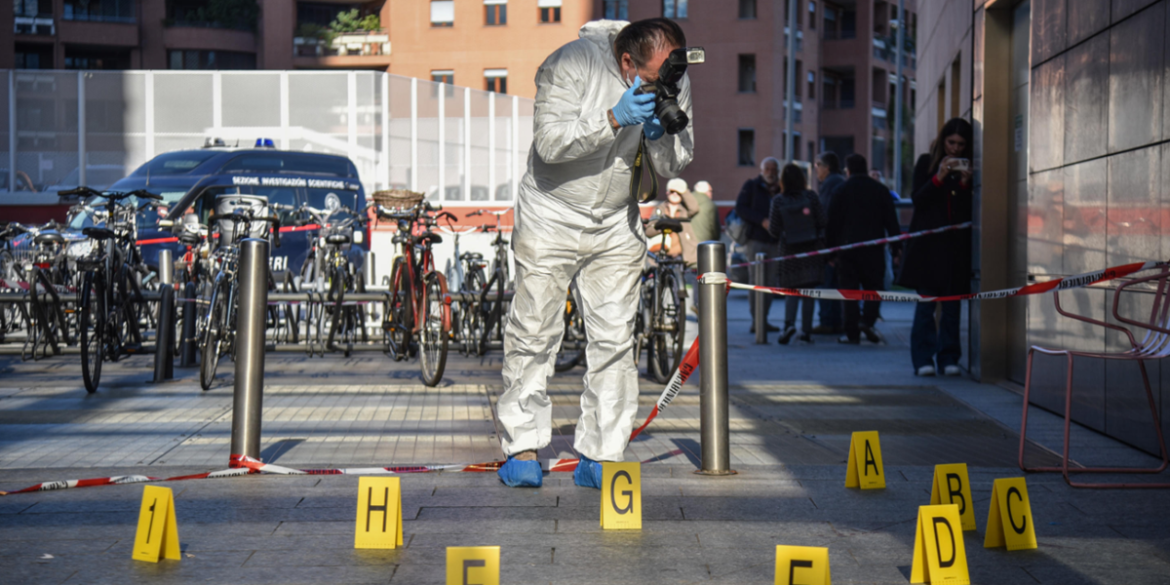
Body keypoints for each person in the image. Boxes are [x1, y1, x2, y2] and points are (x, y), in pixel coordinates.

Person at [495, 18, 695, 489]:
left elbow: (676, 159)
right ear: (627, 62)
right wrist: (610, 119)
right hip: (551, 211)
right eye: (651, 79)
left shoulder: (673, 76)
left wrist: (656, 136)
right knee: (534, 331)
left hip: (615, 218)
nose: (664, 87)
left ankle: (603, 451)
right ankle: (522, 446)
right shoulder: (570, 63)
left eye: (668, 79)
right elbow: (548, 144)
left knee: (614, 338)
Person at [897, 118, 974, 377]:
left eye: (961, 144)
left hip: (955, 250)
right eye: (951, 142)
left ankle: (949, 357)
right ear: (942, 141)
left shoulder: (968, 168)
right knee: (926, 306)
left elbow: (966, 213)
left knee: (952, 306)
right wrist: (939, 178)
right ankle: (922, 359)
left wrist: (964, 185)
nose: (955, 149)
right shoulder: (925, 163)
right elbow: (918, 199)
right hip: (928, 250)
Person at [826, 154, 901, 345]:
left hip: (847, 250)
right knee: (873, 289)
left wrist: (830, 252)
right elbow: (891, 221)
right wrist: (896, 248)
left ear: (848, 171)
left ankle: (851, 333)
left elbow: (832, 223)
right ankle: (868, 321)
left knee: (849, 292)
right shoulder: (880, 190)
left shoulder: (840, 190)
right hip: (874, 249)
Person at [768, 163, 825, 345]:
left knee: (791, 290)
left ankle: (788, 324)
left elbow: (773, 230)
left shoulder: (778, 200)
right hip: (810, 251)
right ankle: (806, 331)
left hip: (789, 252)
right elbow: (823, 220)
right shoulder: (811, 196)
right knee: (809, 291)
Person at [736, 157, 782, 334]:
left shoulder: (781, 188)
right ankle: (757, 320)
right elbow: (741, 208)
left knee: (770, 283)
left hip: (774, 241)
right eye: (768, 169)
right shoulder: (751, 186)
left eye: (774, 169)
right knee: (756, 282)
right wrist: (761, 220)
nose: (771, 172)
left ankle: (764, 319)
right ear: (762, 170)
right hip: (755, 240)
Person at [812, 152, 845, 335]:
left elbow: (826, 217)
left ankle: (828, 321)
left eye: (818, 165)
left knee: (826, 284)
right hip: (838, 244)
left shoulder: (830, 185)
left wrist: (828, 251)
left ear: (827, 167)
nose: (816, 169)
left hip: (830, 246)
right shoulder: (839, 182)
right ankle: (836, 320)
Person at [645, 177, 700, 266]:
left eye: (678, 193)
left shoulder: (684, 211)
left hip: (682, 255)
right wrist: (660, 227)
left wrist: (683, 190)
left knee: (681, 278)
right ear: (667, 193)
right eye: (672, 191)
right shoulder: (659, 209)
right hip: (662, 253)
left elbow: (694, 208)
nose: (675, 194)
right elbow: (648, 231)